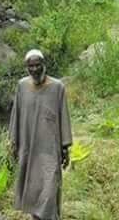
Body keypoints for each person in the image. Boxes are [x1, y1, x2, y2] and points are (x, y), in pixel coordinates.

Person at [9, 49, 72, 220]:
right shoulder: (22, 86)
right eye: (31, 66)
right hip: (28, 146)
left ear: (44, 65)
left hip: (50, 149)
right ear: (26, 67)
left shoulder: (57, 87)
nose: (35, 69)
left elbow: (64, 116)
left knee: (50, 184)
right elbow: (16, 115)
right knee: (33, 186)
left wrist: (65, 147)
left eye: (38, 65)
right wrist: (13, 142)